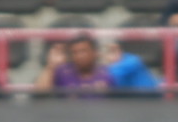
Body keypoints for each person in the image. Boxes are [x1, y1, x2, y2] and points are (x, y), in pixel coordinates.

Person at [33, 32, 161, 95]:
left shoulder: (109, 72)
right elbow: (40, 94)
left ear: (95, 52)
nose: (80, 55)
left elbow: (149, 89)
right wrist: (50, 66)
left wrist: (120, 64)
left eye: (84, 51)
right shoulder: (63, 72)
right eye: (75, 52)